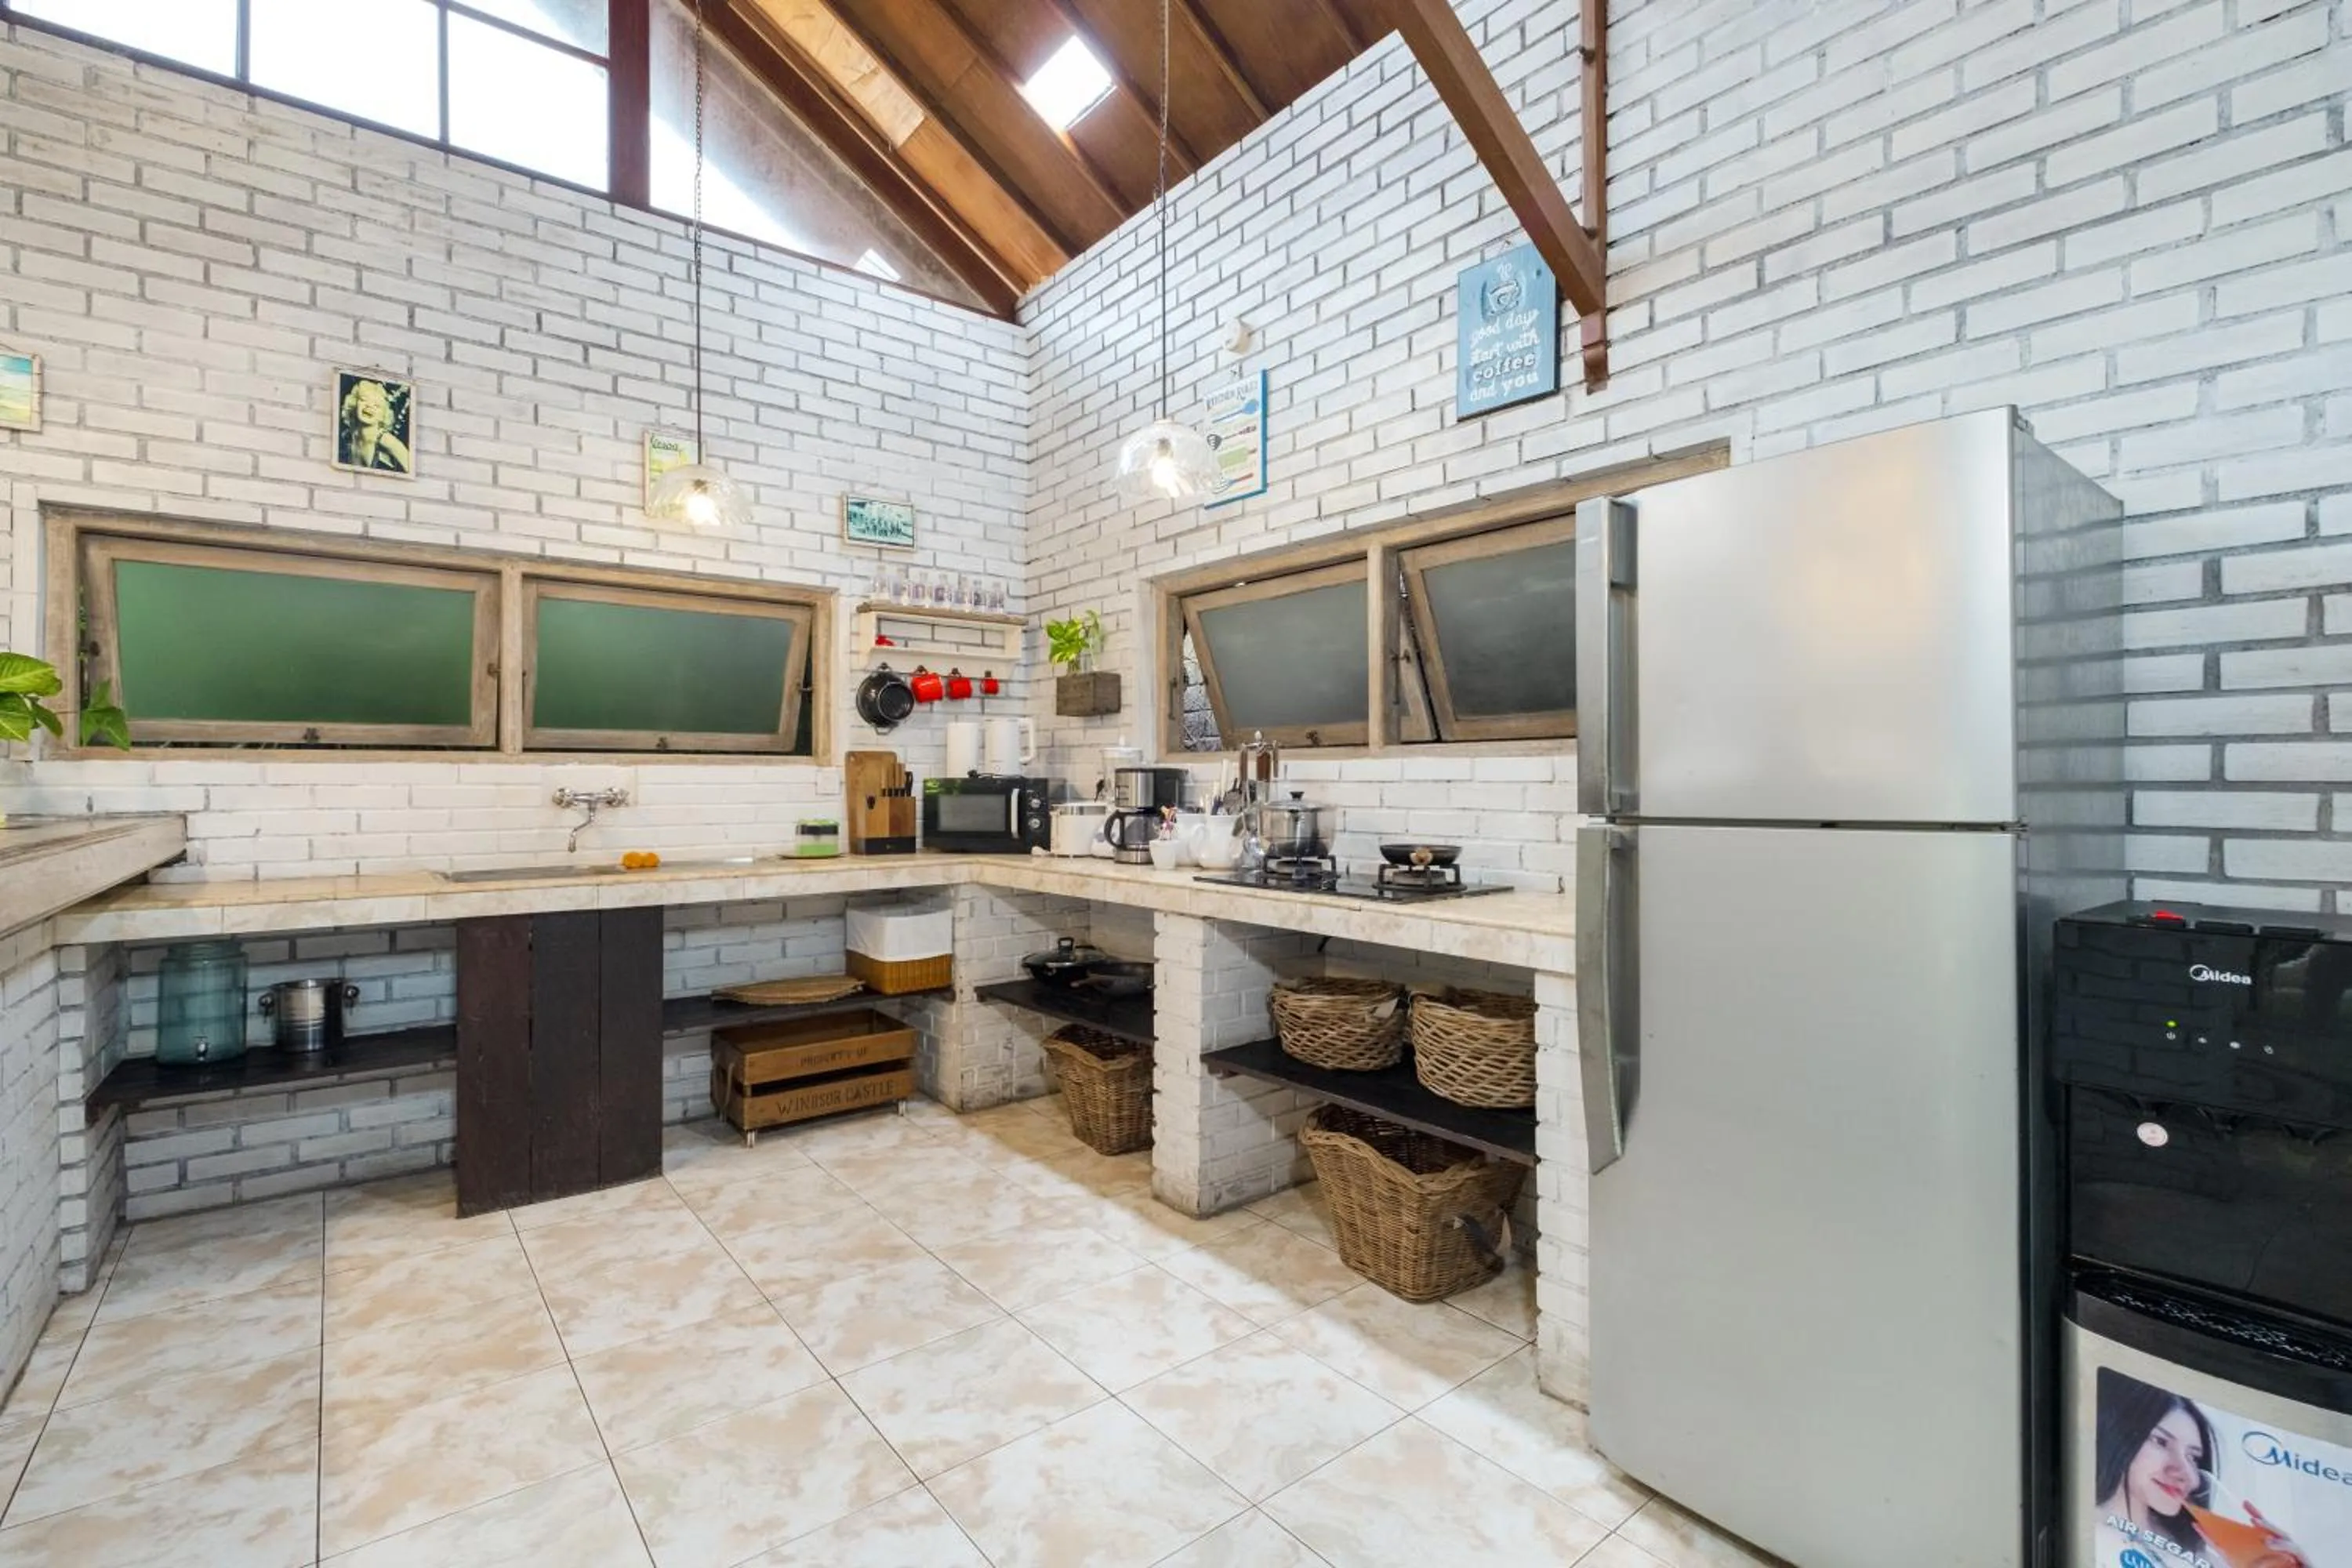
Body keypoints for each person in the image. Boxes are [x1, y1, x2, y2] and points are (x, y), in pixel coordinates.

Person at [2094, 1374, 2314, 1568]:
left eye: (2193, 1457)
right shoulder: (2086, 1531)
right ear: (2120, 1435)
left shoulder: (2204, 1556)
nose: (2188, 1475)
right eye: (2161, 1442)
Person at [337, 377, 412, 474]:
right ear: (354, 404)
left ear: (384, 415)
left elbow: (412, 471)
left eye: (377, 406)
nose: (369, 406)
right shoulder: (347, 436)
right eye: (364, 400)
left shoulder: (387, 441)